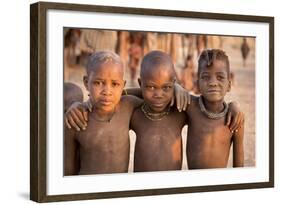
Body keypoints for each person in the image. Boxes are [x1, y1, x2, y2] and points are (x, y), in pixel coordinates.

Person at [65, 50, 244, 173]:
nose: (158, 95)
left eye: (166, 87)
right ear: (140, 83)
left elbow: (208, 108)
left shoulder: (180, 110)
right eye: (150, 87)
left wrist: (234, 105)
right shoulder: (134, 112)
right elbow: (119, 95)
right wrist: (79, 104)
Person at [64, 51, 142, 175]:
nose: (107, 91)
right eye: (98, 83)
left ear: (123, 85)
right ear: (86, 82)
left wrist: (176, 88)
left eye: (115, 84)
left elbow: (151, 93)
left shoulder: (128, 107)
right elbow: (68, 170)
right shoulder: (77, 119)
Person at [186, 49, 244, 169]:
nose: (213, 83)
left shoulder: (235, 118)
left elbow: (239, 166)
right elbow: (161, 94)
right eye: (206, 77)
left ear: (229, 85)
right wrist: (175, 88)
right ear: (197, 84)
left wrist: (235, 105)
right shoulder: (190, 107)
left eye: (220, 77)